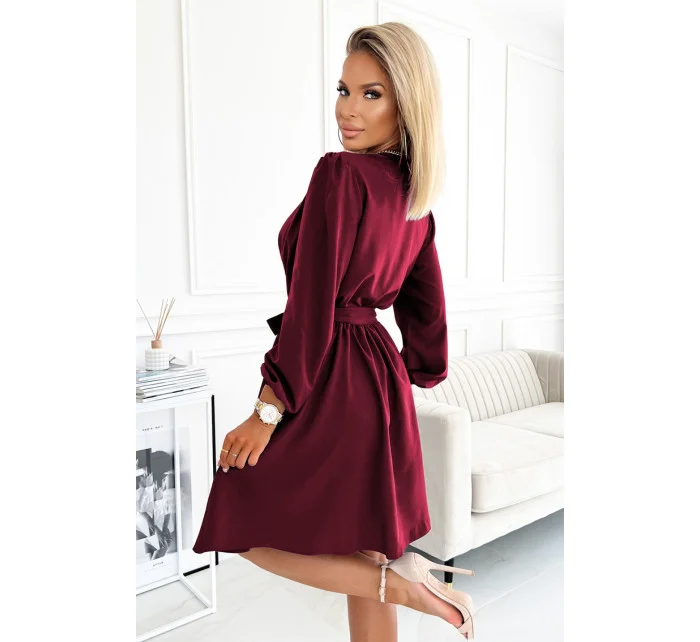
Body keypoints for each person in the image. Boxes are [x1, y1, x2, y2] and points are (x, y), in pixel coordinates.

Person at [193, 22, 475, 640]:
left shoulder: (341, 175)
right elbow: (427, 310)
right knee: (365, 548)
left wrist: (267, 410)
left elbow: (312, 306)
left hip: (333, 372)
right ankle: (396, 577)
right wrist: (419, 368)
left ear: (407, 103)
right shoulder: (416, 198)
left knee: (239, 514)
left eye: (371, 94)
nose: (348, 109)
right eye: (343, 90)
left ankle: (406, 586)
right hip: (382, 379)